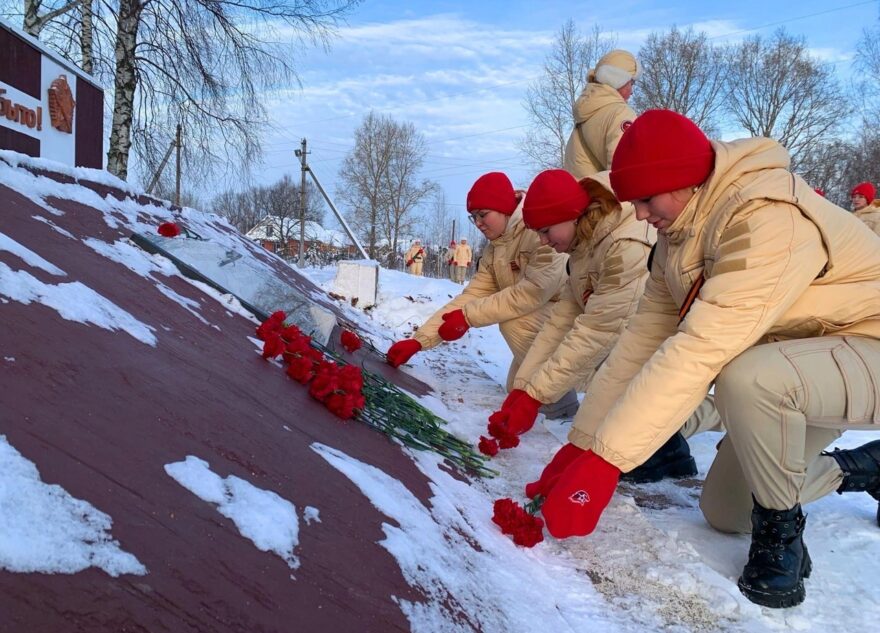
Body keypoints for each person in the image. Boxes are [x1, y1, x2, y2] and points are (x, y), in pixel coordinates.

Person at [528, 109, 880, 609]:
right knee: (725, 513)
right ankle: (861, 468)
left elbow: (700, 348)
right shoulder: (678, 239)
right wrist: (583, 445)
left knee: (746, 377)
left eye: (646, 201)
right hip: (796, 365)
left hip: (867, 350)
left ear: (684, 182)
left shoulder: (766, 219)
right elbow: (638, 344)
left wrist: (606, 464)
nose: (642, 216)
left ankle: (779, 539)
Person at [385, 172, 567, 392]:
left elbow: (533, 292)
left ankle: (561, 404)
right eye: (473, 217)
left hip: (574, 315)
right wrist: (420, 340)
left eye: (483, 214)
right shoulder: (496, 250)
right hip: (546, 318)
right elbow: (471, 296)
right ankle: (545, 392)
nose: (478, 224)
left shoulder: (538, 231)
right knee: (516, 388)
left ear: (503, 208)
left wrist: (468, 317)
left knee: (515, 324)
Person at [562, 49, 639, 181]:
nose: (632, 92)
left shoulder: (585, 113)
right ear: (618, 80)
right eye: (631, 83)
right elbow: (626, 176)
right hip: (607, 200)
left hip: (581, 199)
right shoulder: (620, 114)